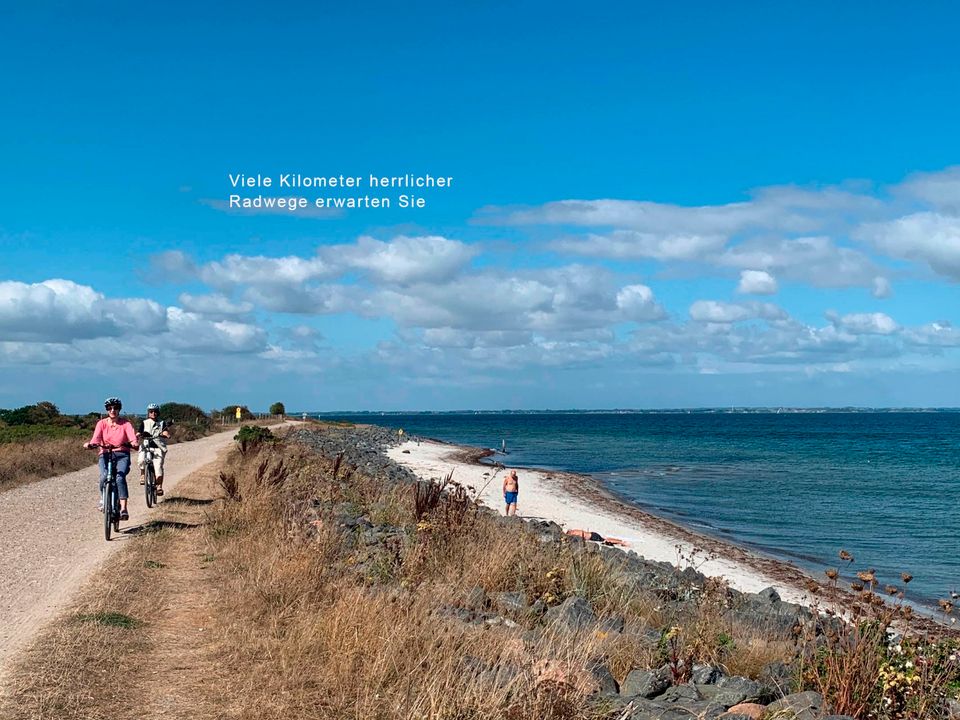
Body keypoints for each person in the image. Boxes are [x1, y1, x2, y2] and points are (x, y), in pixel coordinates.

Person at [83, 397, 138, 520]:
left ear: (119, 409)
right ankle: (103, 499)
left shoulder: (126, 424)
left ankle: (123, 508)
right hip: (106, 454)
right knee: (104, 476)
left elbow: (132, 437)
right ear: (107, 410)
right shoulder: (101, 424)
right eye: (109, 408)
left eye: (115, 408)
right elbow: (96, 438)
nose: (112, 410)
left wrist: (134, 443)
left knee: (119, 477)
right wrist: (90, 445)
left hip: (122, 454)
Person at [138, 403, 171, 496]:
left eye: (155, 411)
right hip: (146, 446)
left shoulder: (161, 423)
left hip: (158, 447)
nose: (153, 413)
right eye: (151, 411)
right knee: (141, 460)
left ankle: (159, 486)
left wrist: (166, 434)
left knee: (158, 468)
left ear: (158, 413)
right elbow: (139, 432)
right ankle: (142, 474)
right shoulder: (144, 422)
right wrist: (137, 436)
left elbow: (165, 431)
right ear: (148, 413)